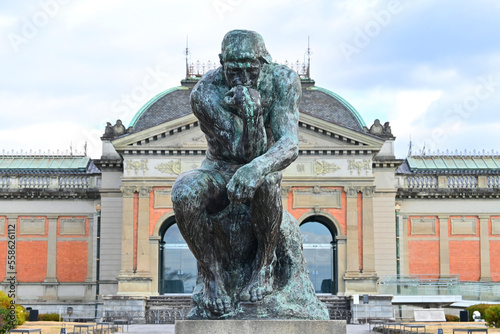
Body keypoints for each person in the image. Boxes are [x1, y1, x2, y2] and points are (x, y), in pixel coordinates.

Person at [171, 29, 301, 316]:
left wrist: (258, 167)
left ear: (264, 61)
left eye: (250, 70)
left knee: (266, 181)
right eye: (233, 70)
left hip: (261, 169)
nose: (242, 79)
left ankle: (264, 267)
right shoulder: (204, 93)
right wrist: (252, 114)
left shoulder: (283, 80)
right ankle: (212, 277)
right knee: (184, 191)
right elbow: (240, 152)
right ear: (221, 62)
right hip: (219, 172)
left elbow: (289, 143)